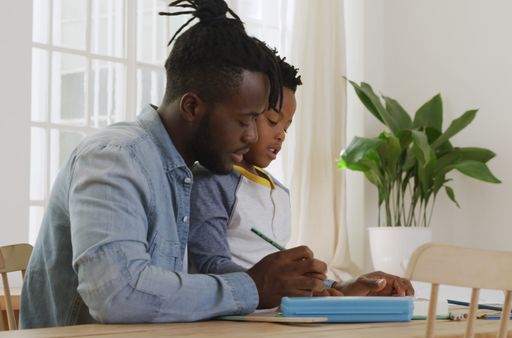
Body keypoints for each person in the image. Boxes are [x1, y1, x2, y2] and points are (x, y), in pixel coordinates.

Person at [20, 0, 328, 328]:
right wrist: (253, 286)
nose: (253, 136)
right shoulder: (114, 158)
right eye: (245, 120)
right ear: (192, 107)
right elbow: (118, 295)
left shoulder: (182, 175)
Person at [188, 53, 415, 297]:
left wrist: (339, 286)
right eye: (273, 120)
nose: (281, 135)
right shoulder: (213, 182)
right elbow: (210, 266)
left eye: (286, 127)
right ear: (246, 112)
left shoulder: (280, 192)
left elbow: (279, 271)